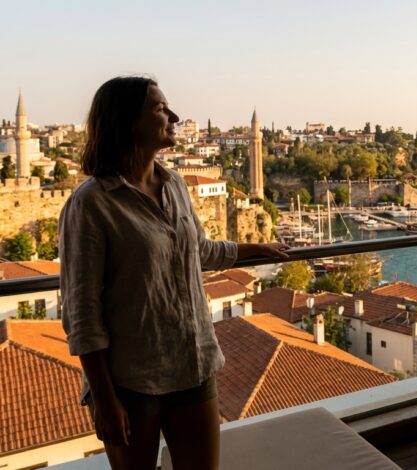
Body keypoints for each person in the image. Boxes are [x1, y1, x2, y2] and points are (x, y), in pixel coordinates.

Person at [59, 76, 289, 470]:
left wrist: (255, 249)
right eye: (160, 109)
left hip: (193, 363)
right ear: (129, 121)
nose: (174, 116)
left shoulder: (174, 184)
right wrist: (106, 399)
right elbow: (82, 312)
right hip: (131, 379)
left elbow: (199, 250)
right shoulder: (91, 204)